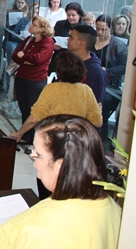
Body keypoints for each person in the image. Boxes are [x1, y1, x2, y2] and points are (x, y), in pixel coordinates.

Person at [0, 115, 122, 249]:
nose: (32, 156)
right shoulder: (112, 207)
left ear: (60, 166)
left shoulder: (44, 231)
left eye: (38, 153)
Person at [9, 51, 102, 198]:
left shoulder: (52, 89)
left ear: (59, 71)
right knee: (69, 186)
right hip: (75, 148)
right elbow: (97, 122)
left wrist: (19, 134)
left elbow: (34, 118)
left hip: (52, 145)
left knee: (47, 187)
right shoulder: (86, 91)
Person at [11, 16, 55, 144]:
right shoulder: (29, 39)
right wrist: (26, 59)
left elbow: (39, 59)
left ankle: (35, 140)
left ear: (42, 29)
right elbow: (15, 56)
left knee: (34, 111)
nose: (30, 26)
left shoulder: (48, 42)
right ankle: (25, 136)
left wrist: (24, 57)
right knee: (24, 108)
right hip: (22, 77)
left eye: (34, 25)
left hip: (36, 80)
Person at [93, 15, 128, 142]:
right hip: (91, 83)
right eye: (98, 29)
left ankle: (99, 145)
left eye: (104, 30)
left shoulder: (118, 45)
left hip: (109, 87)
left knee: (101, 117)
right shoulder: (92, 41)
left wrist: (107, 71)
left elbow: (124, 67)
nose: (100, 32)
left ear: (111, 29)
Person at [67, 25, 106, 103]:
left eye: (71, 37)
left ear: (82, 43)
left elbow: (95, 102)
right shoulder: (68, 62)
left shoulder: (95, 71)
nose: (68, 39)